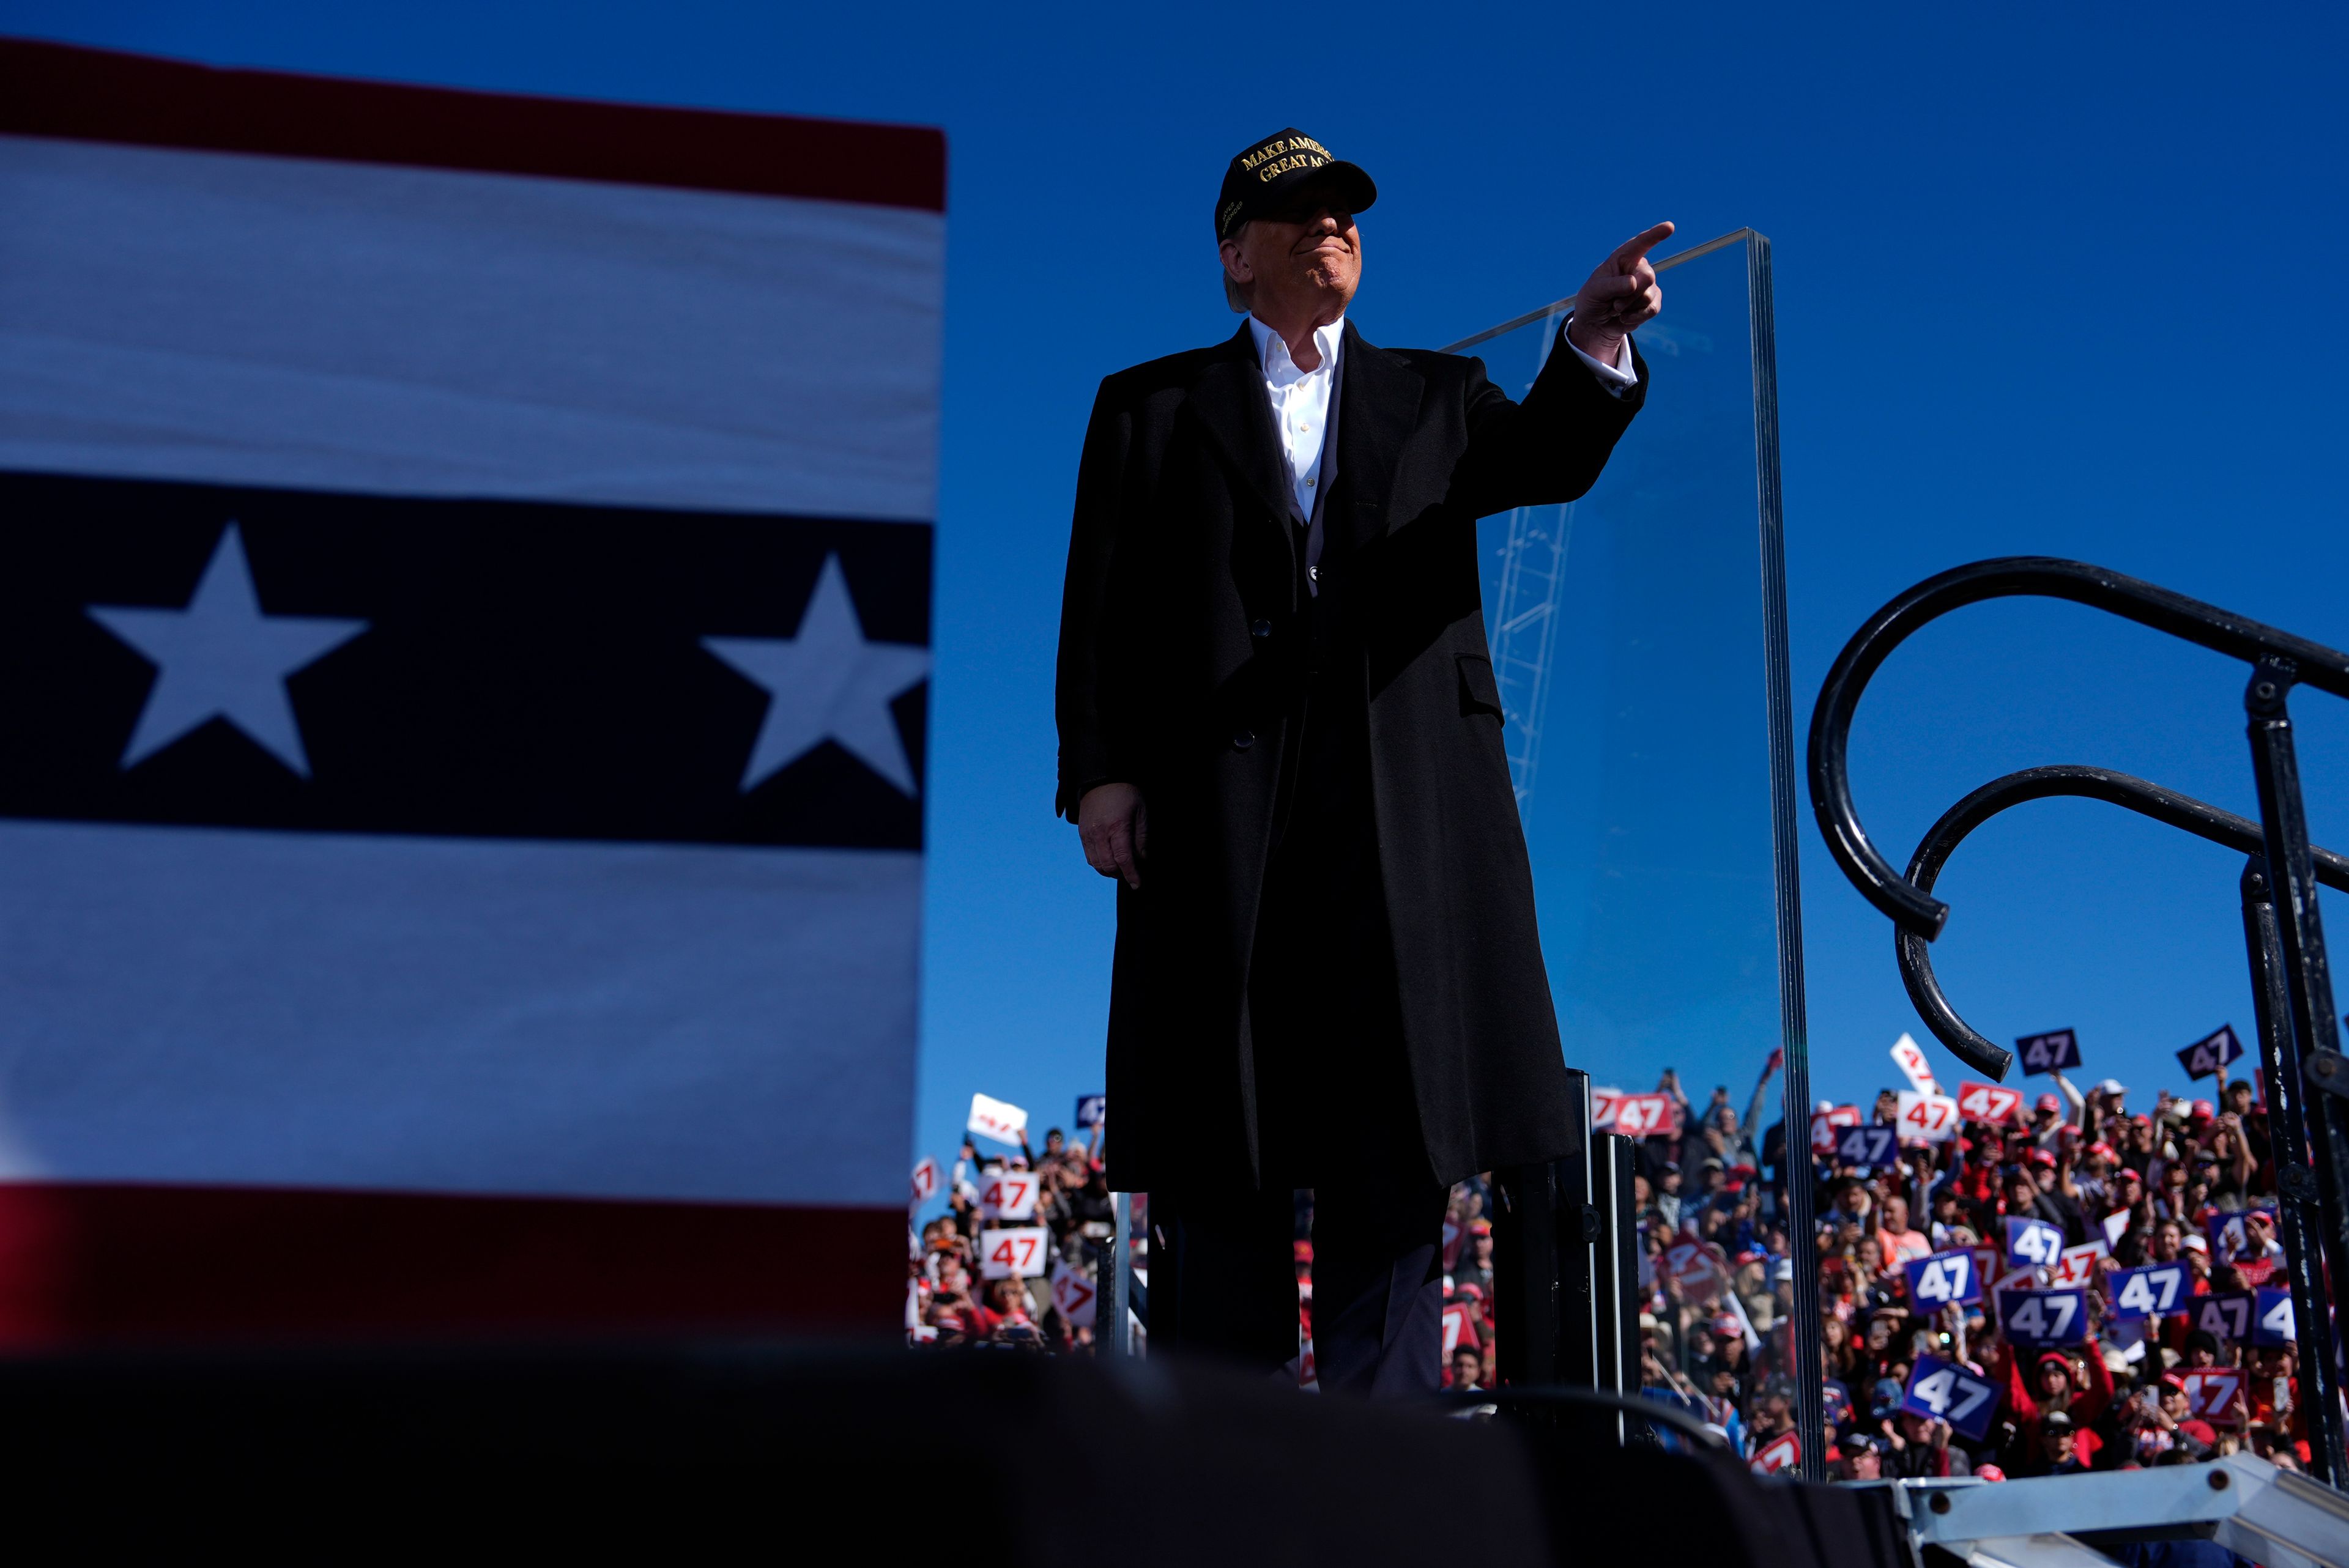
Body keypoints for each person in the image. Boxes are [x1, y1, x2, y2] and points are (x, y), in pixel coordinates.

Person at [1056, 126, 1666, 1396]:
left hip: (1403, 824)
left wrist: (1596, 342)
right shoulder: (1148, 405)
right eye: (1298, 213)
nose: (1332, 228)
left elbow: (1547, 459)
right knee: (1223, 1147)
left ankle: (1383, 1492)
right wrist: (1100, 767)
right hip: (1224, 831)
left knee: (1392, 1149)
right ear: (1237, 256)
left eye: (1346, 211)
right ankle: (1228, 1490)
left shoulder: (1438, 396)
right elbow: (1101, 602)